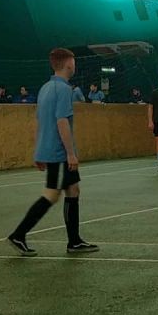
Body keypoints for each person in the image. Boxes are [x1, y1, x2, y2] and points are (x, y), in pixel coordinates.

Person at [7, 48, 98, 256]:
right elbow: (61, 121)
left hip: (49, 150)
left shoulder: (45, 88)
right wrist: (71, 153)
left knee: (73, 190)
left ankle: (74, 242)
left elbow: (41, 122)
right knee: (51, 194)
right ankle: (18, 235)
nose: (74, 66)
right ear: (69, 65)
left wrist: (39, 152)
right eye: (73, 62)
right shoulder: (64, 89)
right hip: (59, 152)